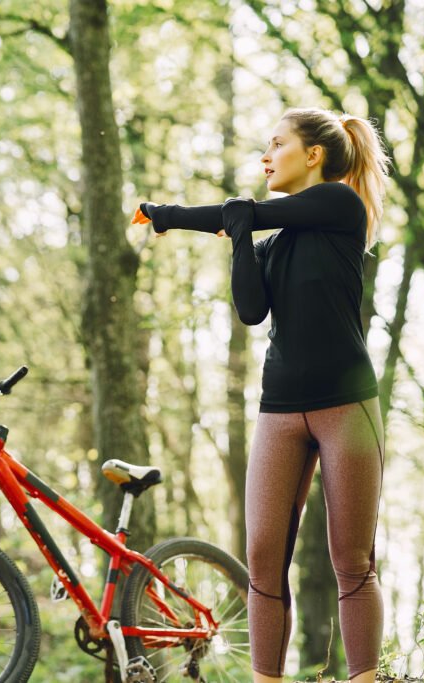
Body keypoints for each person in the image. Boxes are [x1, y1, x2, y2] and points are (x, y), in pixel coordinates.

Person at [132, 107, 391, 683]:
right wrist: (238, 238)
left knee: (351, 562)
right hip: (280, 410)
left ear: (314, 155)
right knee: (263, 564)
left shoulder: (340, 206)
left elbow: (254, 210)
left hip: (347, 405)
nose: (266, 155)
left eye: (277, 144)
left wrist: (169, 215)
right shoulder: (272, 242)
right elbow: (251, 311)